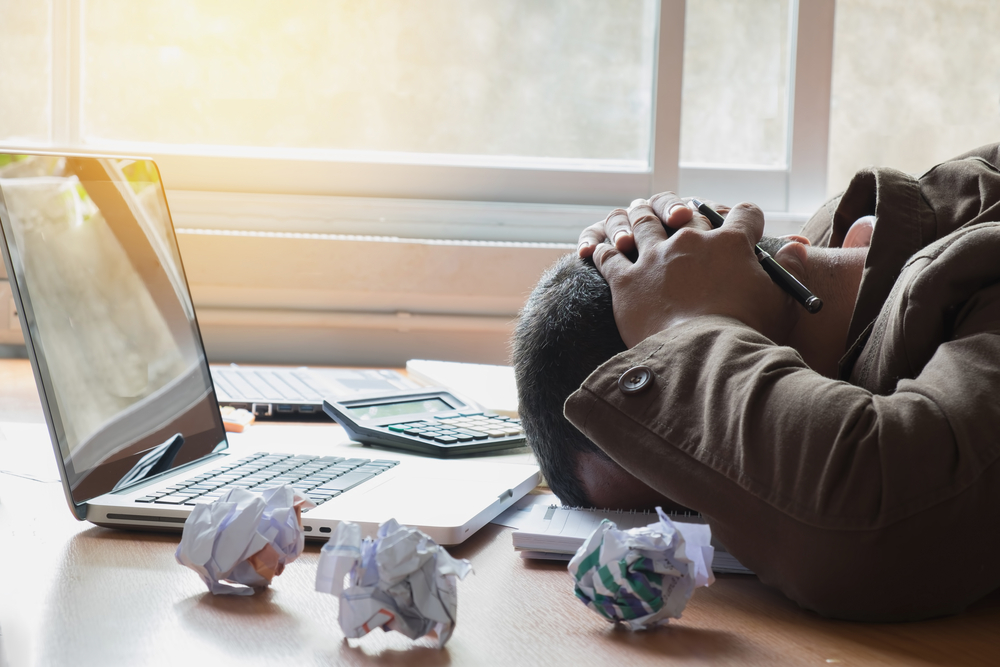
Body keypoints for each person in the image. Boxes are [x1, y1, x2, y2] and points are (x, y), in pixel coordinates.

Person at [514, 143, 1000, 622]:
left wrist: (687, 326)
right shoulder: (867, 265)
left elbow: (890, 532)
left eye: (694, 510)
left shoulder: (974, 273)